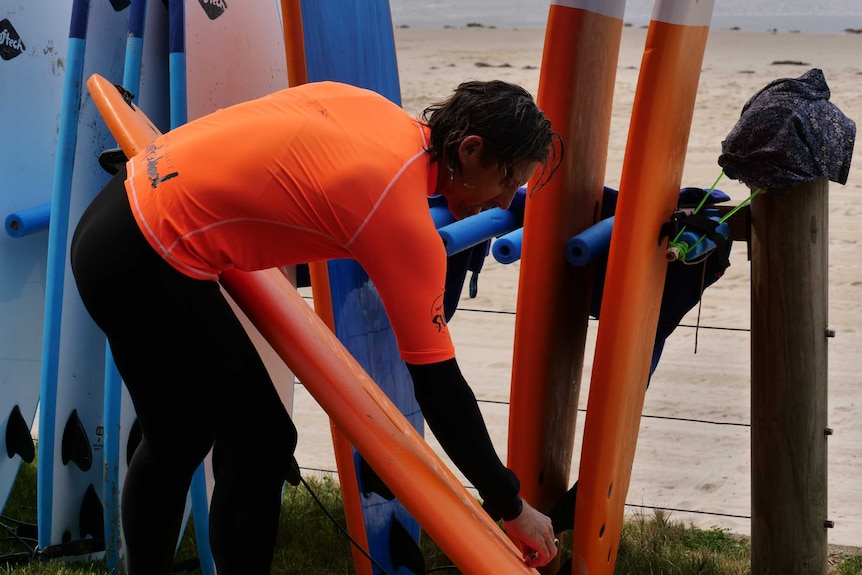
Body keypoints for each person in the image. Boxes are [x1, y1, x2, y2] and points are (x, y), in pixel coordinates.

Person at [70, 79, 563, 575]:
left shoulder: (375, 111)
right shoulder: (402, 221)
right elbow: (440, 389)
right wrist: (511, 505)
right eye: (506, 181)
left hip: (116, 212)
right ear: (471, 149)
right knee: (260, 442)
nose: (504, 203)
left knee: (177, 436)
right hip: (147, 260)